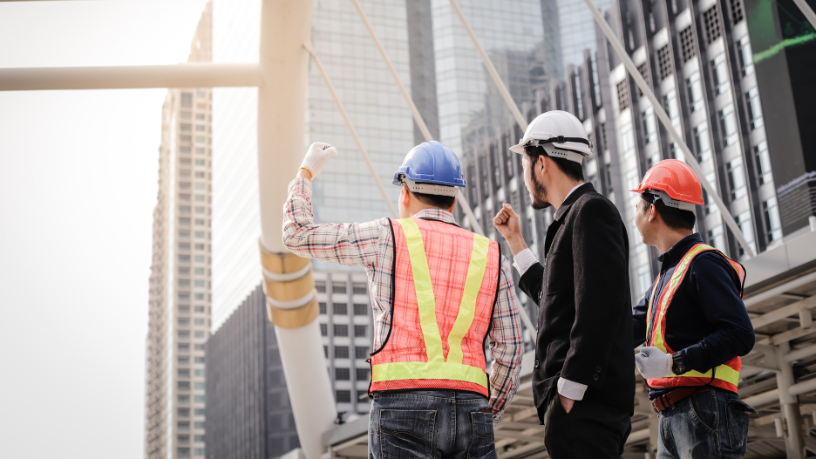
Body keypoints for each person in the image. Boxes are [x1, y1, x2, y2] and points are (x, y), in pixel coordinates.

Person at [283, 140, 523, 459]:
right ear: (453, 201)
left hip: (402, 406)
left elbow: (296, 234)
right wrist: (486, 411)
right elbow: (510, 347)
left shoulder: (386, 237)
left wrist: (305, 173)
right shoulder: (491, 255)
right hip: (472, 407)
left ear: (405, 193)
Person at [493, 110, 634, 458]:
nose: (525, 178)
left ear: (541, 163)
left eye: (525, 166)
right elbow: (556, 299)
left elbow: (599, 306)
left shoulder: (590, 211)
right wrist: (515, 242)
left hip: (583, 405)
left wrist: (569, 390)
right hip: (577, 407)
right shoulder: (576, 216)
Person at [630, 159, 757, 458]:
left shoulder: (703, 263)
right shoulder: (667, 275)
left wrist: (673, 364)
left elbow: (740, 334)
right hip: (674, 416)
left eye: (638, 206)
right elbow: (624, 328)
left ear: (652, 210)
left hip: (704, 410)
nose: (635, 215)